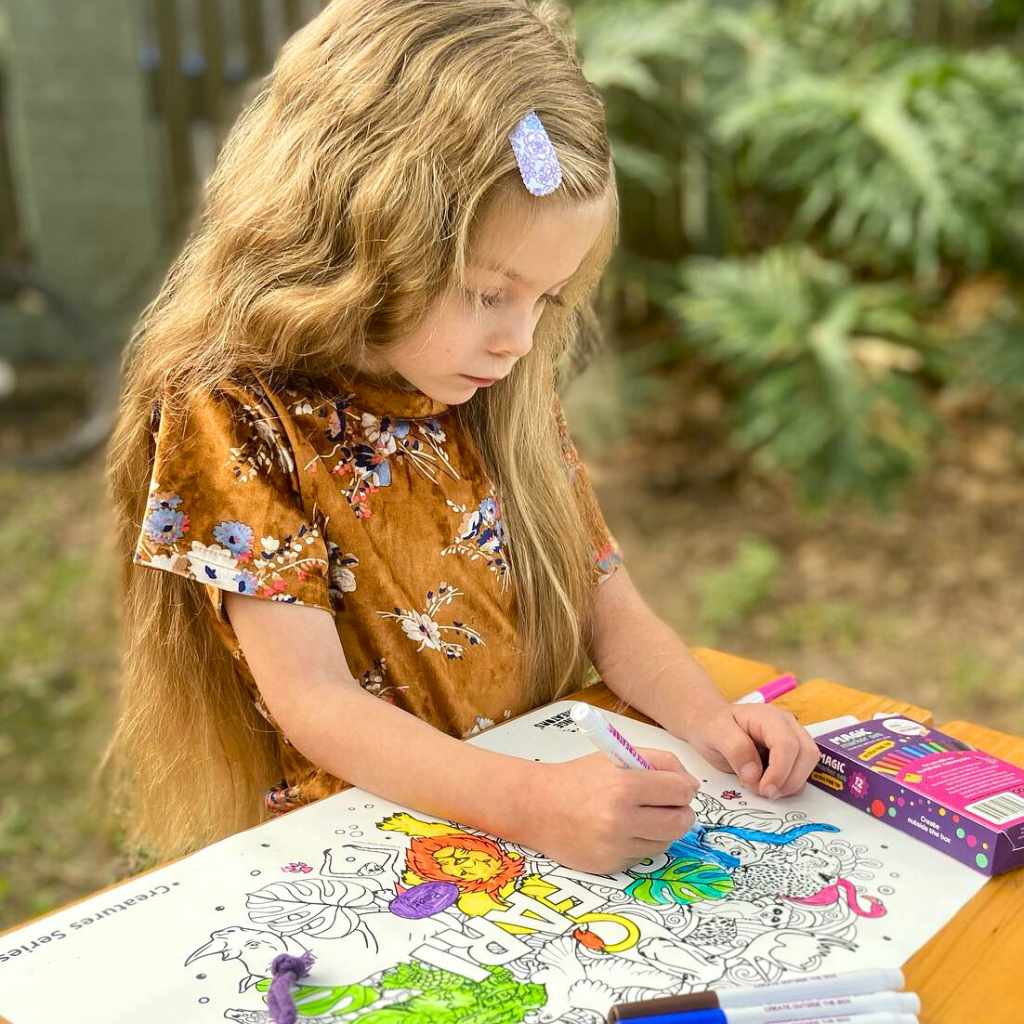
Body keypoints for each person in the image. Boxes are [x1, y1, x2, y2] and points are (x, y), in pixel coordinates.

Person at [105, 0, 819, 874]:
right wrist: (535, 804)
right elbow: (316, 703)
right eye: (489, 292)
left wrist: (715, 724)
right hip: (379, 844)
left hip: (552, 810)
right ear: (362, 236)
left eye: (546, 299)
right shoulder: (233, 409)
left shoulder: (491, 380)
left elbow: (607, 604)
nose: (520, 340)